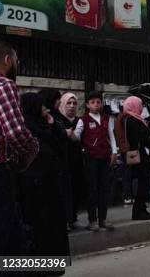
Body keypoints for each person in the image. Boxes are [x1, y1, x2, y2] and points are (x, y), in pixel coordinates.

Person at [0, 40, 39, 266]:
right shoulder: (3, 85)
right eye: (17, 61)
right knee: (8, 236)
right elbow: (15, 132)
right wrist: (31, 152)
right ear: (8, 60)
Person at [17, 93, 70, 276]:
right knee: (39, 233)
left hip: (51, 190)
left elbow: (62, 144)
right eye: (41, 105)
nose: (46, 108)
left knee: (52, 232)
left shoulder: (45, 126)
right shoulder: (26, 131)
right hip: (35, 192)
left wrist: (53, 124)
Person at [74, 91, 118, 232]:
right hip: (90, 158)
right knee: (92, 189)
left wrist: (114, 152)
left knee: (103, 189)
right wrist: (70, 135)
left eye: (98, 102)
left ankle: (103, 219)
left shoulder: (106, 118)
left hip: (105, 157)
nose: (96, 105)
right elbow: (76, 136)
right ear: (87, 105)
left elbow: (111, 136)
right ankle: (92, 220)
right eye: (92, 102)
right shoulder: (83, 120)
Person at [39, 89, 74, 231]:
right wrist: (65, 133)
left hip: (62, 159)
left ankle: (68, 219)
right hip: (52, 162)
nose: (60, 102)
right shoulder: (46, 117)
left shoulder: (56, 116)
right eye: (57, 99)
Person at [59, 92, 84, 229]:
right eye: (69, 103)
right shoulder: (58, 119)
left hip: (75, 159)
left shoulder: (79, 121)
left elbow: (76, 138)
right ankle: (65, 219)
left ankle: (73, 218)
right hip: (62, 159)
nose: (72, 106)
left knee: (75, 188)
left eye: (74, 103)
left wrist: (67, 133)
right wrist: (66, 133)